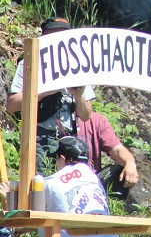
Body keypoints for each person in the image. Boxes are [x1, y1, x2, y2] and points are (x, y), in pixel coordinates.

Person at [6, 17, 96, 165]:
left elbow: (86, 115)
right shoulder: (29, 64)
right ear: (43, 38)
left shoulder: (78, 67)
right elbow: (11, 105)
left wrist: (78, 96)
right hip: (39, 138)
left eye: (62, 35)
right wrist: (45, 92)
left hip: (70, 140)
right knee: (39, 185)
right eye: (53, 36)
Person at [44, 136, 129, 237]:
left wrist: (6, 196)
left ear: (61, 158)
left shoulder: (50, 182)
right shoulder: (94, 179)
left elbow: (25, 214)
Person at [74, 112, 139, 194]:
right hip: (59, 181)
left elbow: (117, 149)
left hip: (90, 186)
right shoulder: (53, 121)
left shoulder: (97, 121)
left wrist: (130, 163)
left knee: (121, 171)